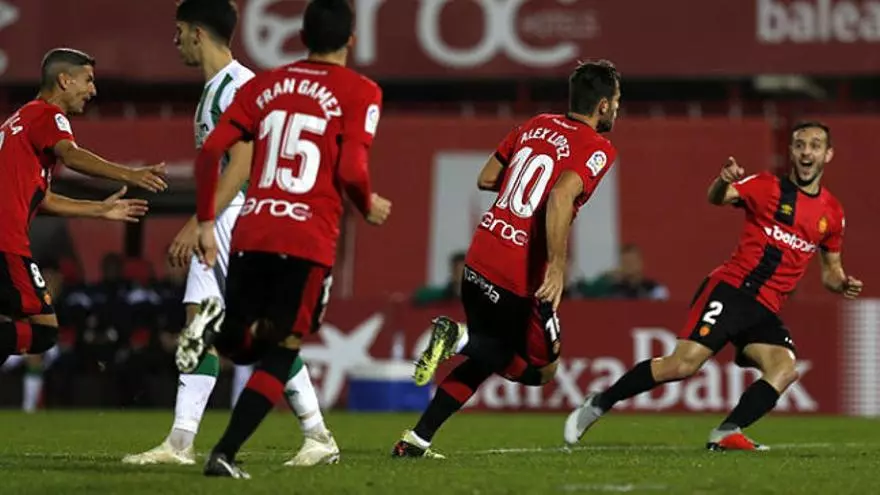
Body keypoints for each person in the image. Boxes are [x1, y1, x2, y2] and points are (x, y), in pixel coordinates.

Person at [176, 0, 391, 478]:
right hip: (306, 236)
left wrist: (207, 222)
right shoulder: (361, 91)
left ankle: (213, 329)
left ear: (302, 36)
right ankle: (224, 453)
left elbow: (211, 152)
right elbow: (352, 169)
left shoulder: (265, 85)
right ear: (351, 41)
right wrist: (367, 203)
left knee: (244, 344)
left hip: (252, 228)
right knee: (282, 349)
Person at [123, 0, 337, 468]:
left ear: (197, 33)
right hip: (230, 215)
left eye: (179, 31)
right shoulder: (218, 87)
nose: (175, 41)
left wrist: (199, 221)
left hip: (237, 217)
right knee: (200, 325)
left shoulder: (235, 87)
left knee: (249, 329)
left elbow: (241, 163)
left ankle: (316, 434)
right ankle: (182, 441)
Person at [564, 121, 863, 451]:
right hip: (732, 289)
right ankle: (599, 402)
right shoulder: (766, 186)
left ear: (828, 154)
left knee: (784, 369)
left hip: (765, 307)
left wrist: (842, 284)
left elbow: (831, 273)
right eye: (800, 145)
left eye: (815, 145)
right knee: (682, 365)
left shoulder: (833, 213)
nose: (807, 152)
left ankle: (726, 432)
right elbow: (717, 198)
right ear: (791, 151)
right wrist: (722, 181)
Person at [391, 60, 622, 458]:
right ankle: (459, 338)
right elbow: (560, 196)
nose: (617, 107)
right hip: (518, 274)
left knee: (486, 356)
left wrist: (521, 179)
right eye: (616, 100)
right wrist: (557, 266)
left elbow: (485, 177)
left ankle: (417, 439)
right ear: (602, 105)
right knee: (542, 371)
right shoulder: (598, 148)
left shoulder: (535, 124)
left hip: (480, 256)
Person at [0, 47, 151, 371]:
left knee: (9, 325)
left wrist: (99, 210)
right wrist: (129, 173)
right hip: (6, 243)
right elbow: (71, 155)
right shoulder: (47, 115)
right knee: (44, 331)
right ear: (65, 80)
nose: (92, 90)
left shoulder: (18, 121)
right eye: (88, 80)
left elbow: (44, 199)